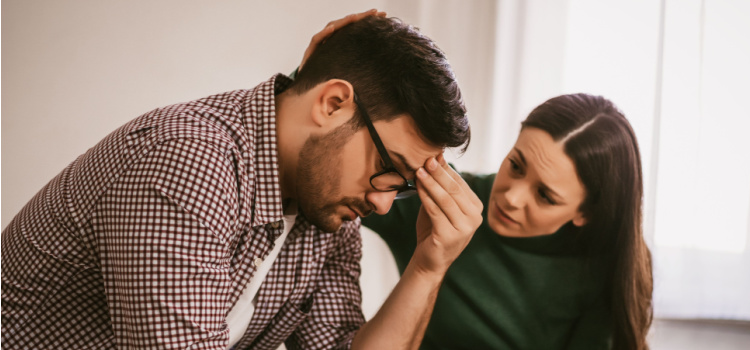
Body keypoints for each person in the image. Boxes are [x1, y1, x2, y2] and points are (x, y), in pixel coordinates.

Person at [1, 12, 484, 350]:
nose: (383, 204)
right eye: (388, 170)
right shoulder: (189, 160)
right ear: (332, 104)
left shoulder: (329, 213)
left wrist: (428, 266)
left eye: (401, 187)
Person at [362, 93, 654, 349]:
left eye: (545, 196)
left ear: (585, 214)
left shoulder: (606, 270)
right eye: (515, 165)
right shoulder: (442, 201)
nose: (511, 198)